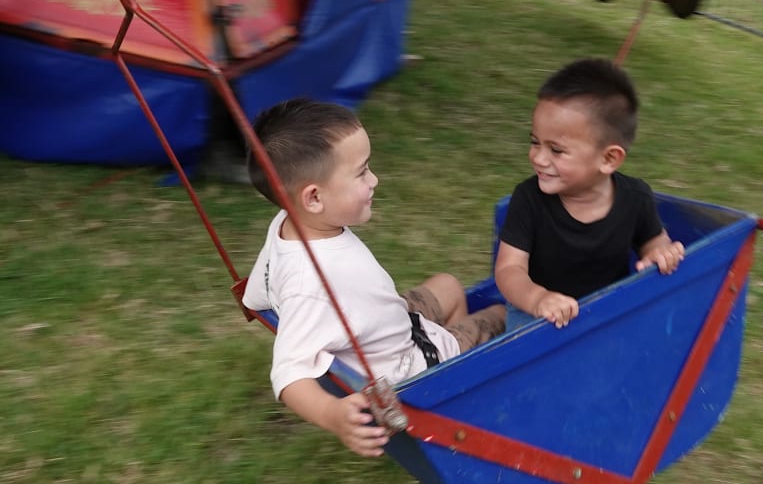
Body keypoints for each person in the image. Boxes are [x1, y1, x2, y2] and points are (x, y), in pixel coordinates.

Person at [241, 98, 506, 457]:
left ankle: (456, 367)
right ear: (314, 197)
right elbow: (288, 372)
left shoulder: (286, 225)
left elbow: (259, 291)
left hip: (384, 327)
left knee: (447, 285)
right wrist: (333, 415)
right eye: (362, 172)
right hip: (409, 364)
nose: (375, 179)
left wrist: (255, 305)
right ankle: (454, 391)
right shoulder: (312, 286)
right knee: (506, 314)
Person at [494, 58, 685, 330]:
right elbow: (508, 269)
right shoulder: (529, 199)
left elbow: (654, 242)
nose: (537, 157)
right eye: (535, 142)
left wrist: (660, 253)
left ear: (608, 159)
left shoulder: (635, 197)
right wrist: (538, 299)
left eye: (556, 150)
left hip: (605, 317)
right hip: (536, 318)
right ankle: (495, 321)